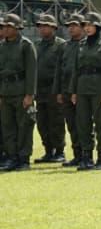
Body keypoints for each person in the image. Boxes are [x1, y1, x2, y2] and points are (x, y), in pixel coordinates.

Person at [70, 12, 101, 170]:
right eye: (85, 25)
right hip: (82, 88)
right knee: (83, 124)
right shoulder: (80, 45)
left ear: (98, 27)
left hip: (99, 89)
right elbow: (76, 70)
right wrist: (74, 91)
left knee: (100, 124)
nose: (87, 28)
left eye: (91, 25)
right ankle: (86, 157)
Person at [0, 13, 37, 171]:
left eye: (9, 26)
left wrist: (29, 95)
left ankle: (23, 159)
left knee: (24, 126)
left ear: (17, 28)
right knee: (8, 127)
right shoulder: (1, 46)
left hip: (21, 91)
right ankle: (11, 157)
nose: (6, 29)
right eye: (4, 26)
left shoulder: (26, 45)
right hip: (6, 92)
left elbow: (32, 71)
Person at [32, 13, 66, 164]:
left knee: (56, 121)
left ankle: (59, 151)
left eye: (45, 26)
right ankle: (48, 151)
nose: (42, 29)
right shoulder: (37, 46)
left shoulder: (61, 45)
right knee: (42, 122)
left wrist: (60, 91)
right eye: (40, 26)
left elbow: (64, 70)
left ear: (53, 28)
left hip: (54, 90)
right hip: (40, 91)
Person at [56, 13, 85, 168]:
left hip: (82, 90)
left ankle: (86, 155)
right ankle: (77, 155)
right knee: (71, 124)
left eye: (75, 25)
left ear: (82, 27)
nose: (71, 28)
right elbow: (59, 71)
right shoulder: (64, 46)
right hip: (66, 89)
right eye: (69, 26)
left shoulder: (87, 44)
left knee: (84, 123)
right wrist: (59, 92)